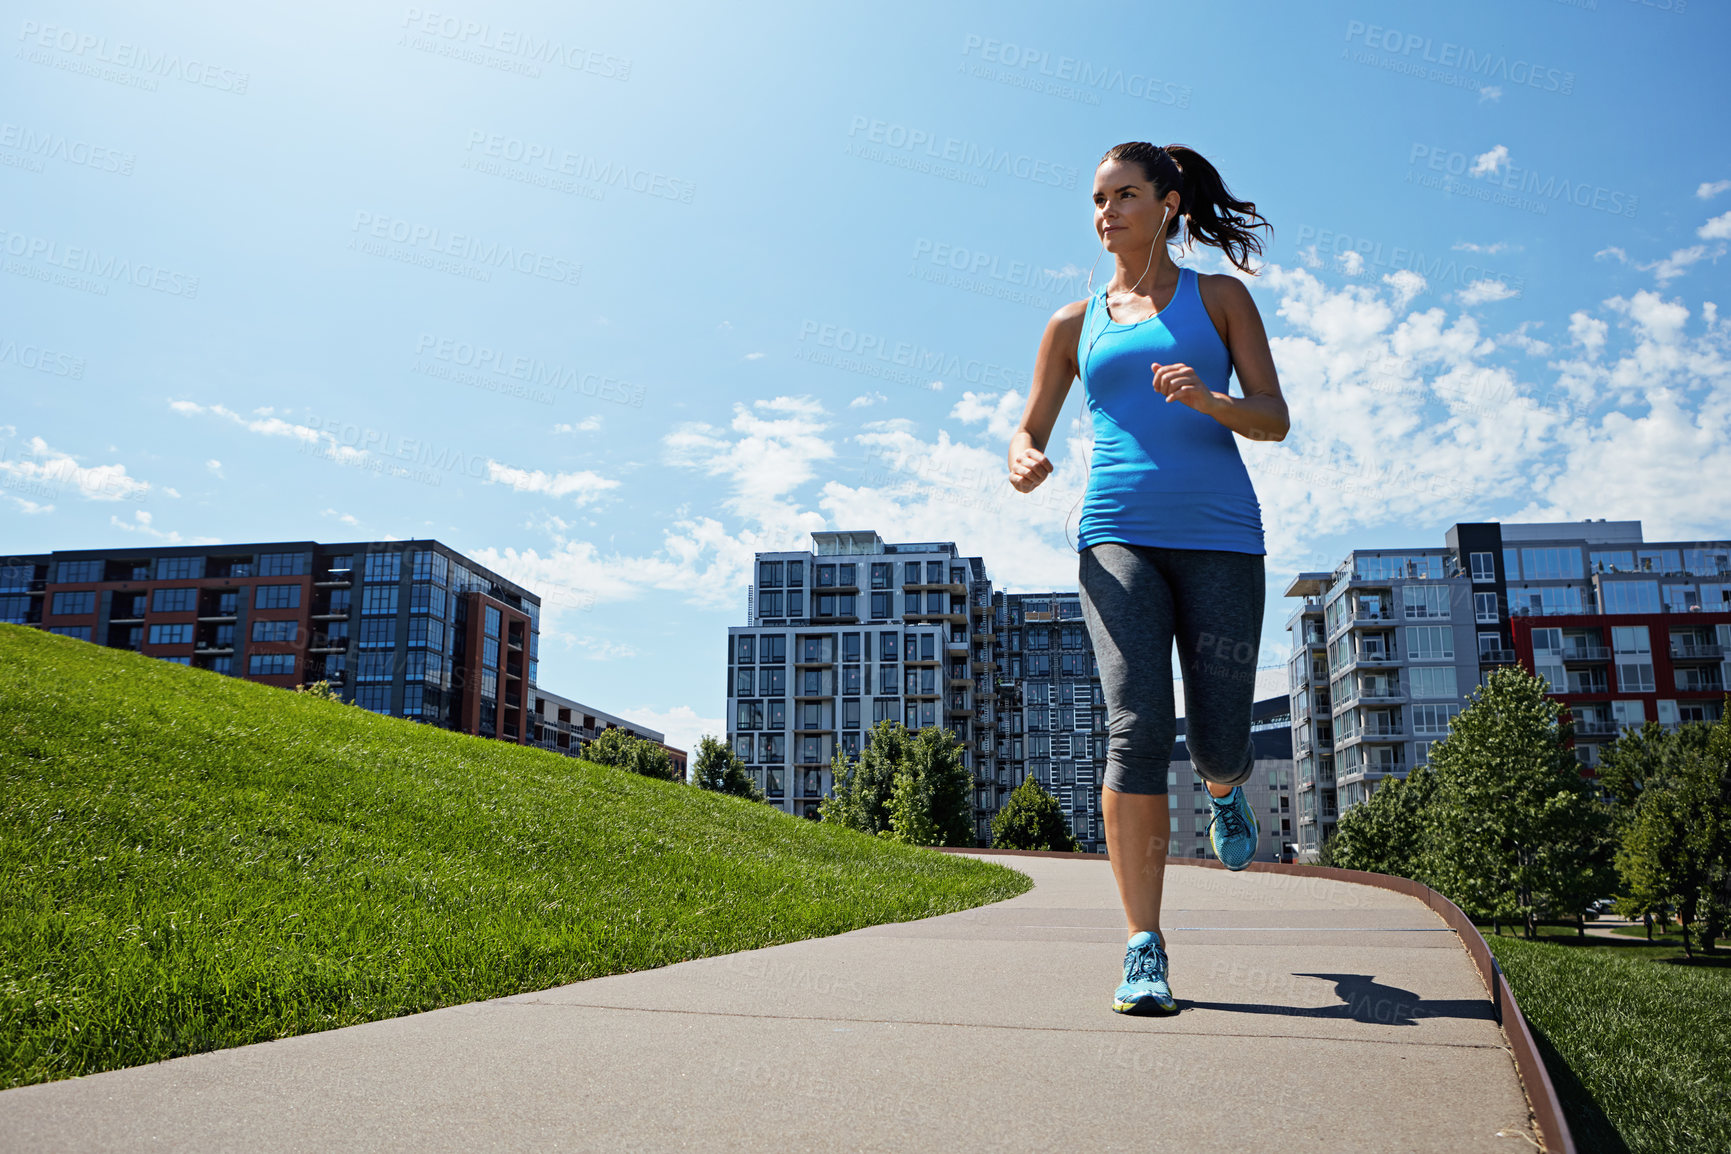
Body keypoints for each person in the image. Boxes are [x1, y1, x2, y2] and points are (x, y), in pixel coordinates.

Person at [1006, 142, 1288, 1016]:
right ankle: (1142, 948)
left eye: (1123, 194)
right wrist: (1024, 459)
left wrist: (1209, 400)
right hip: (1115, 533)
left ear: (1167, 203)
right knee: (1135, 721)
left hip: (1220, 537)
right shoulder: (1070, 323)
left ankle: (1222, 789)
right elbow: (1029, 431)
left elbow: (1273, 419)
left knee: (1214, 735)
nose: (1105, 212)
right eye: (1096, 198)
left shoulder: (1221, 299)